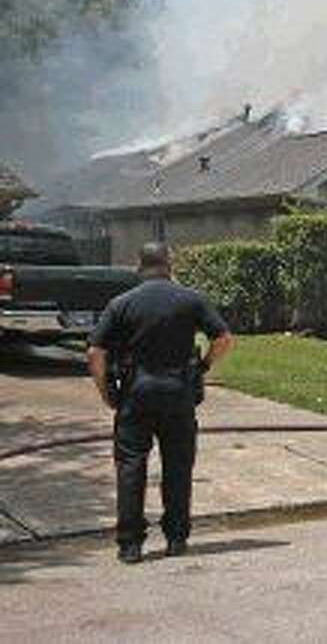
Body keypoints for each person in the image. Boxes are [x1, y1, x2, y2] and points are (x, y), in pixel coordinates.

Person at [86, 242, 234, 564]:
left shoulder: (121, 304)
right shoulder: (191, 300)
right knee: (179, 467)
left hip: (136, 394)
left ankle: (130, 545)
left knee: (130, 467)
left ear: (139, 265)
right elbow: (223, 339)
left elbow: (95, 353)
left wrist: (105, 392)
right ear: (169, 264)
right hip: (178, 393)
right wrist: (203, 366)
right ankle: (176, 539)